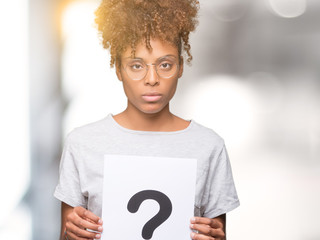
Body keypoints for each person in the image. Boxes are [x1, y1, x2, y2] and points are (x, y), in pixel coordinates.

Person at [53, 0, 240, 239]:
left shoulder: (209, 146)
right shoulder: (82, 143)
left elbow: (217, 233)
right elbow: (66, 235)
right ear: (118, 69)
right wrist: (72, 234)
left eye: (165, 64)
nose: (152, 79)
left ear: (181, 66)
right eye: (136, 65)